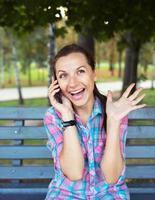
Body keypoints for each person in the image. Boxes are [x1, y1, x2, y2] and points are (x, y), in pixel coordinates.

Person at [44, 44, 146, 200]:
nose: (73, 83)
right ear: (56, 82)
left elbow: (111, 177)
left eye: (81, 71)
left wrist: (113, 122)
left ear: (94, 74)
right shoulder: (54, 116)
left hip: (109, 194)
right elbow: (75, 173)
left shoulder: (115, 112)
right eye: (63, 75)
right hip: (66, 194)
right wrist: (67, 117)